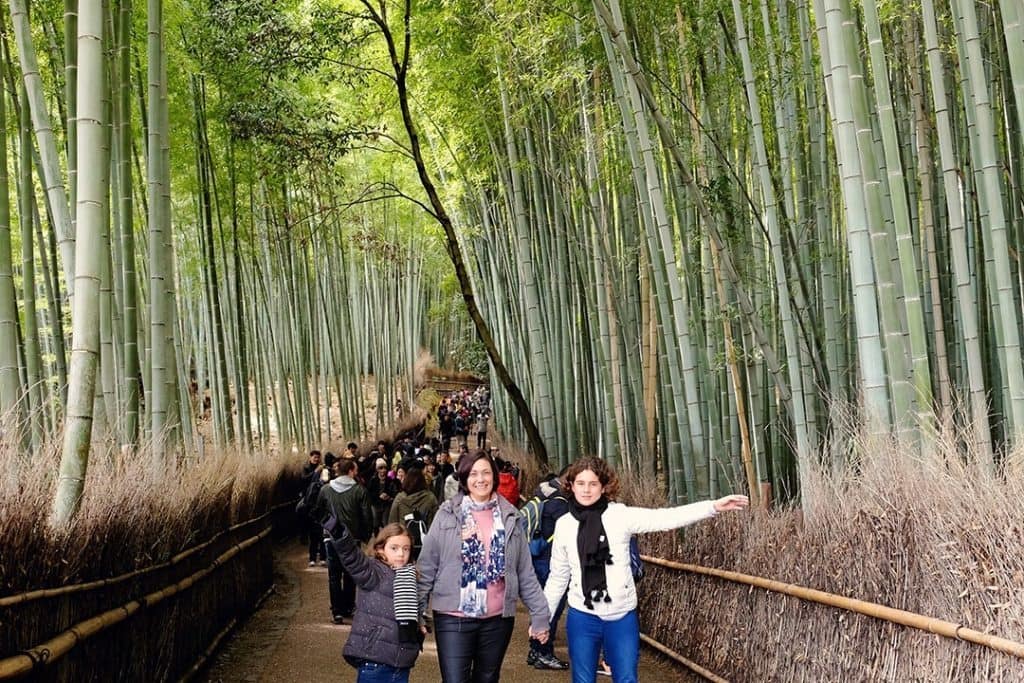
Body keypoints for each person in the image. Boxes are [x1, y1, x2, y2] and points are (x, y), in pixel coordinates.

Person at [544, 456, 748, 683]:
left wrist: (712, 507)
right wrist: (543, 619)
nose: (586, 490)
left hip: (621, 616)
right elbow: (558, 577)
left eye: (593, 484)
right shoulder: (564, 524)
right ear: (571, 486)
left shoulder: (621, 515)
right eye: (580, 483)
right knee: (582, 679)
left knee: (627, 678)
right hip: (583, 615)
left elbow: (665, 517)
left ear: (604, 486)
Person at [418, 450, 551, 682]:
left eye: (486, 472)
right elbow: (427, 565)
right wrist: (417, 611)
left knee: (487, 679)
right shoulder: (447, 513)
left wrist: (540, 615)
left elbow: (525, 573)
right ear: (464, 478)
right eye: (473, 473)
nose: (480, 479)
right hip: (453, 615)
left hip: (497, 618)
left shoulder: (510, 516)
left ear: (495, 476)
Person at [322, 519, 426, 682]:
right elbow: (352, 556)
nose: (401, 554)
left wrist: (418, 627)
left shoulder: (409, 576)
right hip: (375, 660)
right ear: (381, 549)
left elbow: (412, 609)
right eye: (394, 548)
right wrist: (337, 530)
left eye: (406, 549)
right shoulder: (373, 572)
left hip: (402, 662)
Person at [314, 458, 373, 624]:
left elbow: (318, 511)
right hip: (351, 538)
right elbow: (366, 516)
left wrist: (327, 528)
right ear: (350, 471)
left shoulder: (325, 490)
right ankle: (348, 607)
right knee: (350, 573)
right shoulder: (359, 491)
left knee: (334, 575)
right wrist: (365, 535)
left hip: (331, 537)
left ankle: (337, 612)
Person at [526, 470, 571, 670]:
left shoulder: (543, 493)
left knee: (542, 605)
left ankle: (536, 650)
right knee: (551, 607)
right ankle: (544, 652)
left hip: (540, 557)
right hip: (550, 560)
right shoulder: (560, 503)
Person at [388, 466, 439, 560]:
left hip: (404, 541)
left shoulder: (400, 498)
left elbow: (393, 521)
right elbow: (435, 522)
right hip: (424, 543)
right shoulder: (430, 498)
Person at [367, 458, 398, 533]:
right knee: (375, 523)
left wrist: (389, 497)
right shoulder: (373, 480)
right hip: (375, 505)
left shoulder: (390, 480)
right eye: (381, 468)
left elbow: (394, 492)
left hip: (386, 505)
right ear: (377, 469)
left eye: (384, 468)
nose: (383, 470)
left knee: (385, 522)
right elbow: (369, 494)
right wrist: (378, 496)